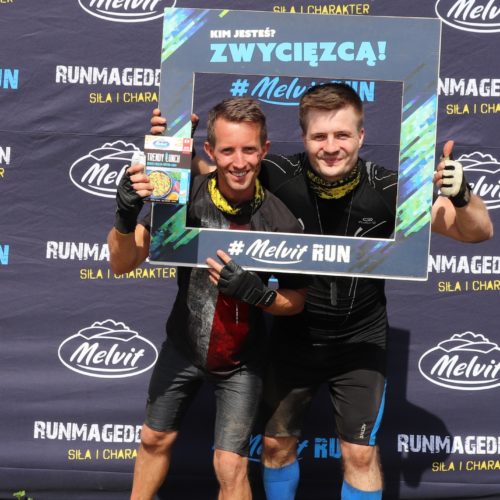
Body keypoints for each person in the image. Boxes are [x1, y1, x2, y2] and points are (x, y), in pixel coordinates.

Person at [150, 83, 493, 499]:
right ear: (304, 138)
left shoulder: (389, 189)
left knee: (360, 454)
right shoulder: (276, 174)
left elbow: (476, 232)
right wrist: (171, 148)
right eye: (319, 136)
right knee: (276, 446)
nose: (331, 147)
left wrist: (463, 195)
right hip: (294, 336)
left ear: (361, 136)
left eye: (342, 135)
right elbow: (219, 173)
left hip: (360, 341)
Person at [109, 97, 309, 500]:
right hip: (183, 346)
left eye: (249, 149)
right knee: (153, 439)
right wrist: (125, 219)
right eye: (228, 150)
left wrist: (259, 295)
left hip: (241, 361)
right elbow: (122, 263)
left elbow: (297, 300)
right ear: (210, 151)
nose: (239, 162)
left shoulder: (280, 219)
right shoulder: (183, 197)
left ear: (264, 150)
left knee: (230, 466)